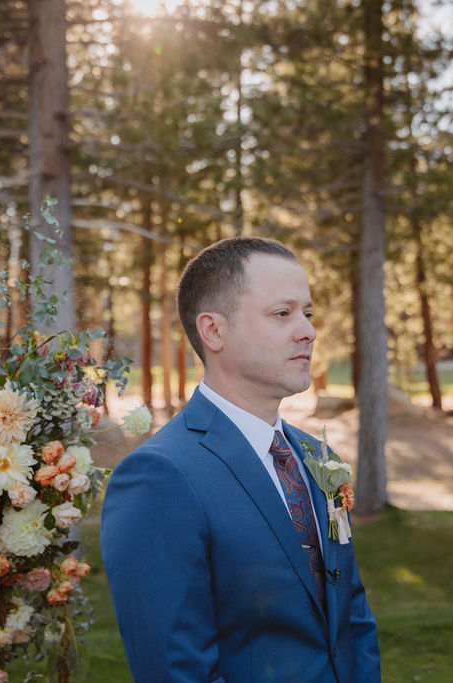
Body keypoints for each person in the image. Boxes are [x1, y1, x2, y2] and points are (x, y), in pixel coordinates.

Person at [100, 237, 381, 682]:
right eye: (282, 313)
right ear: (214, 331)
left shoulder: (316, 457)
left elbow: (352, 615)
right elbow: (174, 670)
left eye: (307, 313)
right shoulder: (159, 476)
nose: (307, 330)